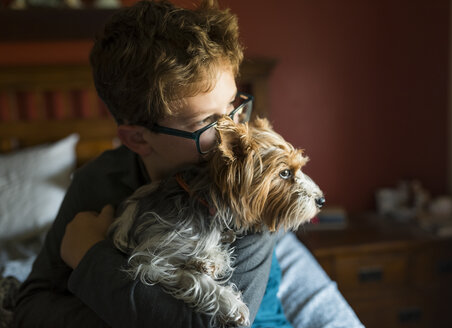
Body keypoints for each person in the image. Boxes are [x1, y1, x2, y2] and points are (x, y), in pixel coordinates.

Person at [13, 1, 288, 327]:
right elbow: (29, 306)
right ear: (138, 139)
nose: (237, 135)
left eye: (233, 107)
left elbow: (217, 324)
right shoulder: (97, 182)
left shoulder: (250, 183)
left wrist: (90, 259)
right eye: (207, 122)